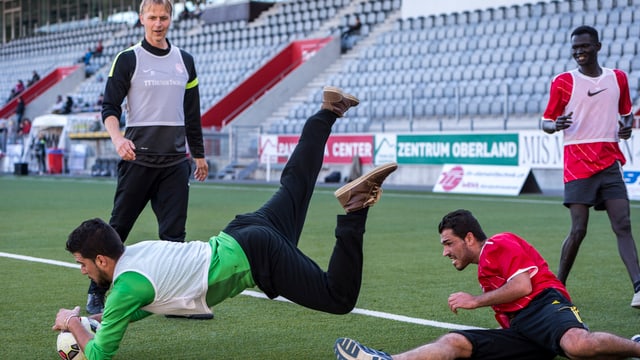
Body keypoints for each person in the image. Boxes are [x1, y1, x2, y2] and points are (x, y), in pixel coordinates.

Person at [52, 86, 398, 360]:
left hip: (254, 253)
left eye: (81, 263)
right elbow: (126, 313)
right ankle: (328, 110)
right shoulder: (135, 257)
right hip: (241, 232)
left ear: (101, 259)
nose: (81, 270)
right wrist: (87, 323)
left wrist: (72, 323)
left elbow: (98, 355)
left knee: (338, 298)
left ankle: (355, 208)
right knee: (296, 183)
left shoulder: (125, 289)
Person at [334, 209, 640, 360]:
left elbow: (522, 286)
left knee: (577, 345)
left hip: (546, 304)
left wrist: (474, 301)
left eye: (448, 243)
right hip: (521, 328)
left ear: (469, 238)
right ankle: (384, 359)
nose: (445, 251)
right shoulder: (484, 273)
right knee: (455, 342)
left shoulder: (499, 243)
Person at [85, 0, 204, 315]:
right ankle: (97, 292)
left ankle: (178, 301)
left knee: (175, 238)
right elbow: (109, 108)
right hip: (137, 160)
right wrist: (117, 137)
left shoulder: (185, 61)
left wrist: (199, 155)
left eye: (163, 17)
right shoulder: (128, 59)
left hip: (176, 164)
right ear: (141, 19)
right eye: (152, 17)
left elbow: (192, 114)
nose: (158, 23)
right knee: (116, 230)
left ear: (170, 19)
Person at [540, 25, 640, 308]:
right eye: (574, 48)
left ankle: (638, 287)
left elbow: (626, 117)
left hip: (609, 159)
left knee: (623, 223)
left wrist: (626, 130)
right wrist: (553, 126)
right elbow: (545, 121)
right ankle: (556, 286)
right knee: (579, 229)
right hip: (578, 163)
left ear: (598, 46)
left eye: (584, 46)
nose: (579, 52)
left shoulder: (617, 78)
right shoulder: (562, 81)